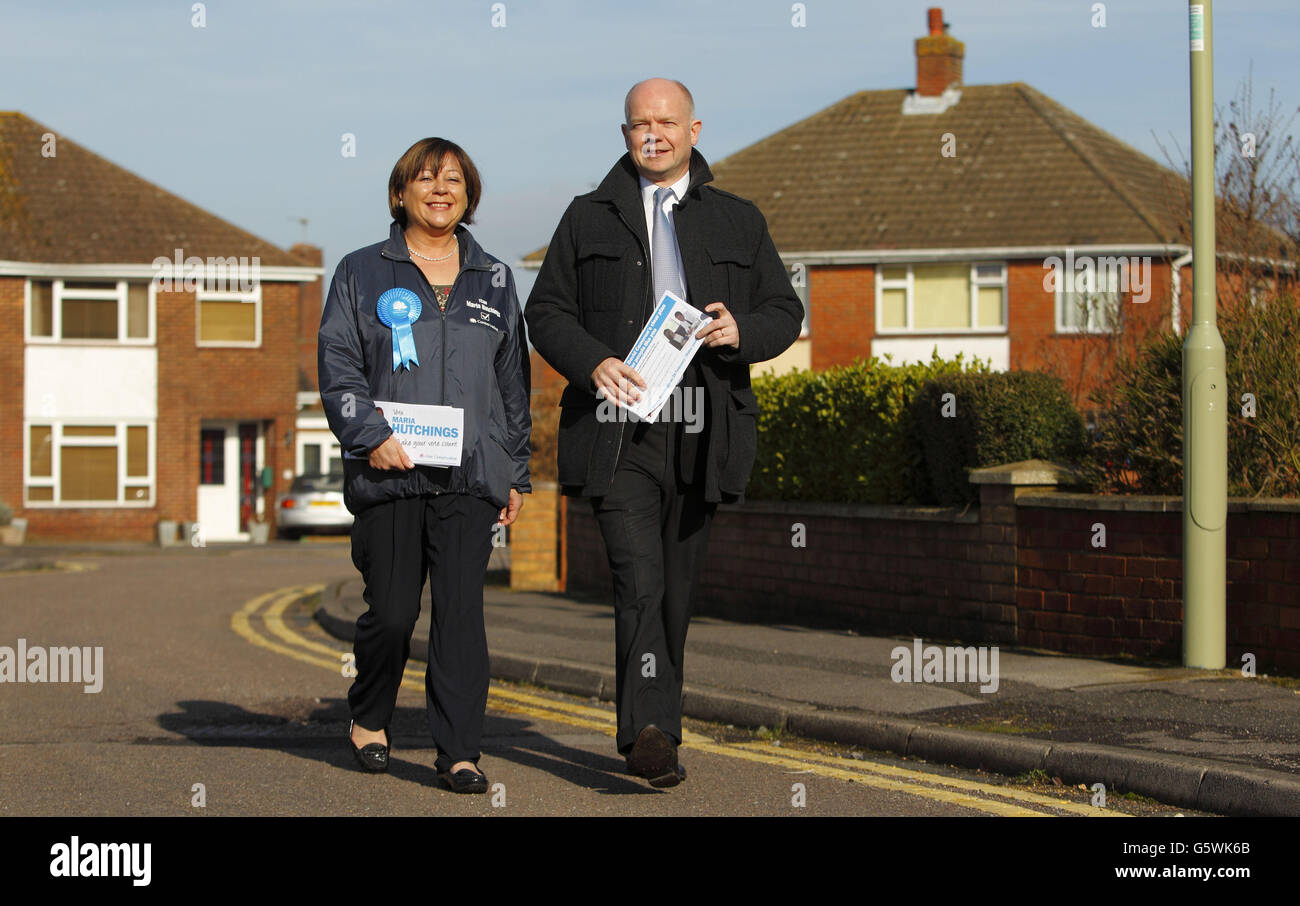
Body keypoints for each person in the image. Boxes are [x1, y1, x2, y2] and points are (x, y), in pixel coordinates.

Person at [525, 79, 802, 787]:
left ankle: (662, 725)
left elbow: (783, 309)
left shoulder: (739, 219)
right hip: (620, 431)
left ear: (694, 129)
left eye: (667, 122)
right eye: (640, 123)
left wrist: (744, 330)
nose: (654, 133)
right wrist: (595, 362)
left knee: (677, 590)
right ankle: (647, 731)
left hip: (705, 428)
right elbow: (547, 312)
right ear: (625, 135)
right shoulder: (587, 217)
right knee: (639, 579)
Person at [318, 137, 531, 794]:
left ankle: (461, 752)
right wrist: (368, 433)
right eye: (427, 178)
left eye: (455, 181)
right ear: (401, 191)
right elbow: (339, 366)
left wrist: (515, 470)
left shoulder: (494, 278)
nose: (441, 190)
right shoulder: (360, 271)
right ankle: (370, 712)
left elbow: (512, 382)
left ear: (468, 197)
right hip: (389, 472)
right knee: (391, 611)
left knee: (462, 614)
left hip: (469, 476)